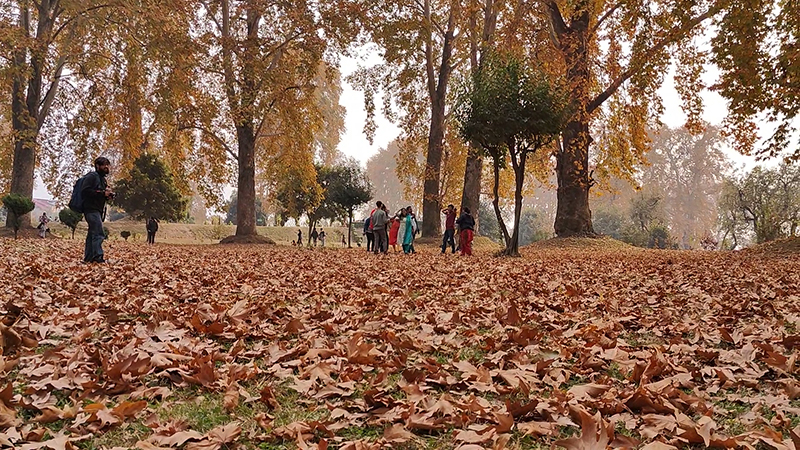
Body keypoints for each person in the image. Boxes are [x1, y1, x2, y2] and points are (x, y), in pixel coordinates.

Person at [82, 157, 114, 263]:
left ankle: (88, 258)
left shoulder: (102, 179)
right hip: (90, 209)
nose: (106, 167)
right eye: (104, 165)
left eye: (107, 165)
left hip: (98, 209)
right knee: (98, 232)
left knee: (92, 233)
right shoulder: (92, 176)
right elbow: (85, 191)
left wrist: (107, 195)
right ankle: (97, 257)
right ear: (97, 166)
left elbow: (100, 194)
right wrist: (101, 193)